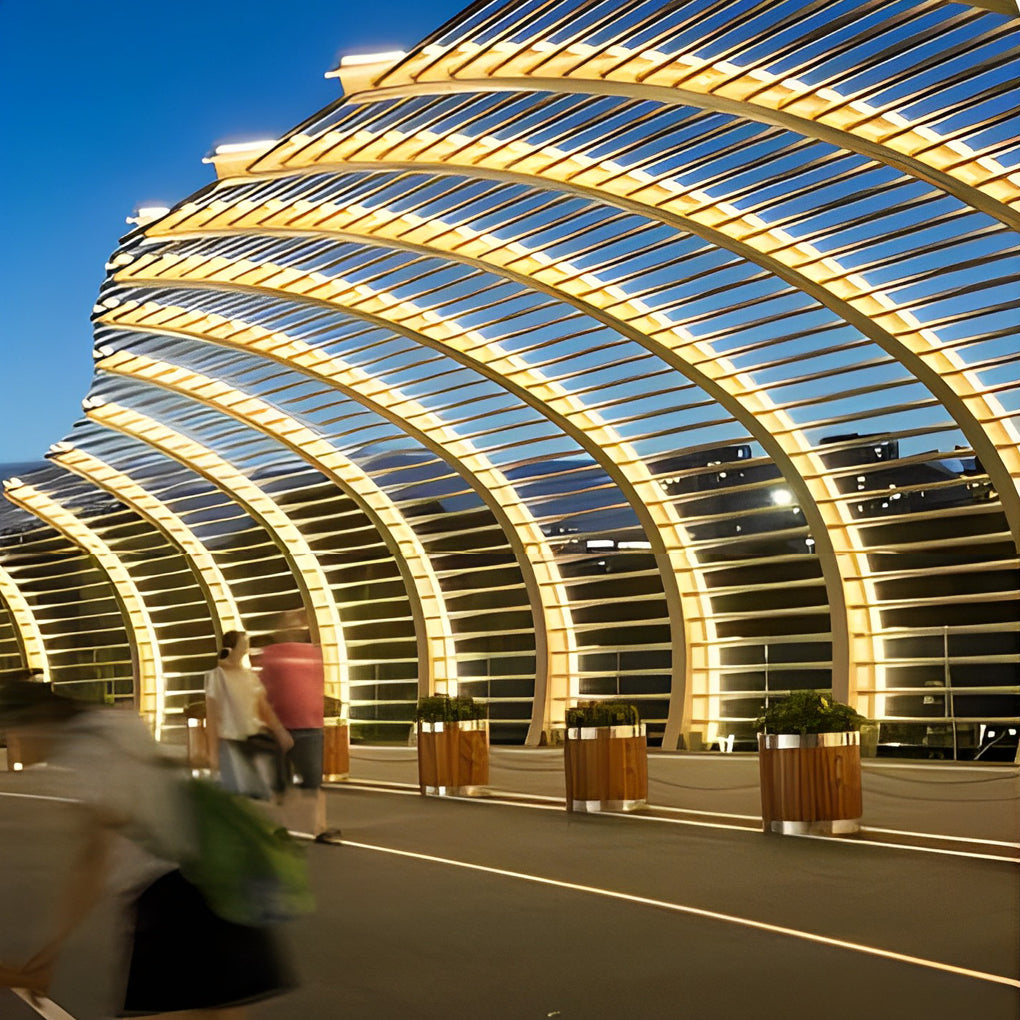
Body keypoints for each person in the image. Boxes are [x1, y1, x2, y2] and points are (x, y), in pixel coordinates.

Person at [0, 673, 295, 1018]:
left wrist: (50, 952)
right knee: (218, 1011)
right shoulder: (112, 724)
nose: (12, 741)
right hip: (221, 878)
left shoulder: (87, 754)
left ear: (38, 720)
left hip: (173, 897)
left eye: (13, 730)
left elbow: (92, 859)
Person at [257, 611, 341, 842]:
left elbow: (316, 687)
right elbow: (263, 692)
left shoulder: (313, 654)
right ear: (280, 628)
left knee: (314, 782)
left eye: (298, 623)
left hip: (310, 727)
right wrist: (271, 726)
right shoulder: (271, 654)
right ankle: (277, 827)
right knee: (279, 784)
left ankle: (320, 828)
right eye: (289, 623)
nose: (294, 627)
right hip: (279, 728)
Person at [204, 631, 293, 800]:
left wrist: (281, 732)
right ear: (231, 648)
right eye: (243, 644)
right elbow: (212, 715)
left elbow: (264, 709)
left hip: (253, 740)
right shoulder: (217, 676)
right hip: (229, 741)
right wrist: (213, 753)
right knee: (237, 794)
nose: (246, 649)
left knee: (258, 793)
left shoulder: (250, 677)